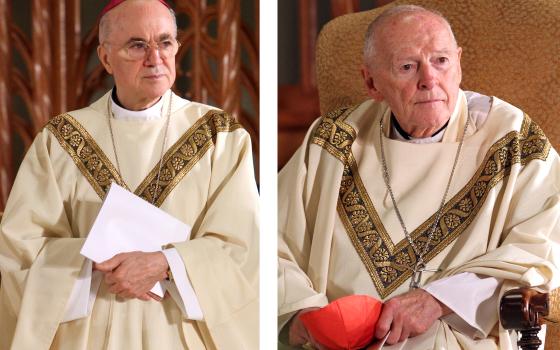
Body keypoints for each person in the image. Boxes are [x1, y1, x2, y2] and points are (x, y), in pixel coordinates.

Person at [278, 5, 560, 349]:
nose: (429, 79)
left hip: (454, 338)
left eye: (440, 61)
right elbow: (267, 241)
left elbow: (542, 250)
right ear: (371, 82)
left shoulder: (514, 141)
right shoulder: (334, 139)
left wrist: (438, 300)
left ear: (458, 62)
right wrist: (302, 312)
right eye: (407, 67)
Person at [0, 0, 259, 349]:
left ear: (177, 48)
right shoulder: (60, 140)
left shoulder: (219, 136)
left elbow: (242, 247)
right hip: (89, 332)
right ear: (106, 58)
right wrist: (95, 261)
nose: (155, 58)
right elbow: (20, 250)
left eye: (165, 42)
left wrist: (166, 263)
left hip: (181, 334)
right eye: (137, 45)